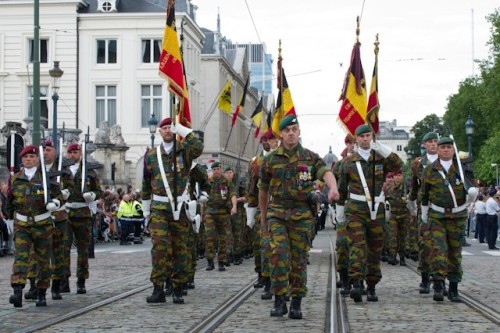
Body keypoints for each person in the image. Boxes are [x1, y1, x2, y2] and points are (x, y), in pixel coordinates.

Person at [259, 115, 340, 319]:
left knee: (298, 260)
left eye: (294, 129)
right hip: (277, 214)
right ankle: (279, 300)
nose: (291, 133)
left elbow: (325, 172)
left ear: (299, 131)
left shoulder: (310, 158)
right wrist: (262, 215)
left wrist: (333, 188)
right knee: (278, 255)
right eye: (287, 130)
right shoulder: (269, 160)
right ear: (281, 134)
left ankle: (296, 302)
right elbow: (263, 189)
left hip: (302, 216)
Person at [336, 124, 403, 303]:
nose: (365, 139)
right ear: (356, 140)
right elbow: (342, 188)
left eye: (368, 136)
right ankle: (356, 282)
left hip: (376, 209)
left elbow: (398, 164)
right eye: (362, 136)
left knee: (375, 248)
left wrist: (380, 147)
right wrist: (340, 209)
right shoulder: (348, 163)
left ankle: (371, 285)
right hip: (356, 208)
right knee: (357, 246)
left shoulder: (380, 158)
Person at [142, 117, 203, 304]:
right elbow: (146, 182)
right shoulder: (152, 155)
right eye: (164, 128)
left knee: (180, 249)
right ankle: (158, 287)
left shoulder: (184, 152)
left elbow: (198, 147)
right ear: (159, 131)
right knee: (159, 247)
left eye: (170, 127)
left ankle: (177, 287)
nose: (168, 130)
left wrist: (183, 130)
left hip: (180, 209)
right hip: (160, 208)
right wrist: (146, 211)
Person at [421, 136, 478, 302]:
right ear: (438, 150)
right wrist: (424, 212)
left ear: (453, 150)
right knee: (438, 249)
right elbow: (425, 194)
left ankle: (453, 288)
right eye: (443, 147)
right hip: (437, 216)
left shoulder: (462, 168)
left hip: (457, 216)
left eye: (449, 147)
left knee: (455, 252)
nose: (446, 150)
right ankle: (438, 285)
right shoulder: (430, 170)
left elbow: (471, 189)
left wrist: (472, 196)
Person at [6, 145, 63, 307]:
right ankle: (17, 291)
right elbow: (10, 199)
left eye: (32, 157)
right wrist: (9, 217)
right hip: (22, 225)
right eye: (26, 158)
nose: (29, 160)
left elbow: (59, 196)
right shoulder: (16, 178)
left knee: (43, 260)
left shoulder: (46, 177)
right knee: (21, 258)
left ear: (37, 159)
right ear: (22, 160)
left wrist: (56, 203)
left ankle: (41, 292)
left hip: (42, 224)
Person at [65, 143, 103, 294]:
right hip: (67, 212)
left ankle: (81, 281)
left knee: (83, 250)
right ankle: (63, 280)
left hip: (83, 212)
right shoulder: (62, 171)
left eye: (75, 152)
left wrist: (92, 195)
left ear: (80, 153)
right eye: (70, 153)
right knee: (63, 249)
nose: (73, 155)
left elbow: (98, 191)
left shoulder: (89, 171)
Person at [246, 129, 277, 300]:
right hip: (263, 208)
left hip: (282, 208)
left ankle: (281, 283)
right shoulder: (256, 162)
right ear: (264, 141)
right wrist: (251, 211)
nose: (273, 142)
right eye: (270, 140)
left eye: (275, 140)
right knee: (264, 248)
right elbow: (252, 188)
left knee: (280, 249)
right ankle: (265, 280)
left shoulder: (283, 158)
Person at [408, 131, 438, 294]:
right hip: (425, 208)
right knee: (425, 244)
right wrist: (411, 204)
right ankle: (425, 278)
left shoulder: (447, 161)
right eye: (430, 141)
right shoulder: (418, 164)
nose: (434, 144)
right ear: (425, 145)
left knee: (442, 245)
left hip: (443, 207)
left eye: (436, 141)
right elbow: (414, 185)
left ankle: (439, 279)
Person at [333, 134, 356, 296]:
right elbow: (334, 185)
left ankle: (358, 280)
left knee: (360, 247)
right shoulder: (340, 165)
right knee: (343, 244)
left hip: (361, 211)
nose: (353, 145)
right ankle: (345, 277)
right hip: (344, 208)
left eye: (355, 142)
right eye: (350, 143)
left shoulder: (369, 162)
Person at [205, 161, 237, 271]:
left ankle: (221, 262)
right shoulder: (208, 181)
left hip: (223, 213)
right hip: (210, 213)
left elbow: (232, 194)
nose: (216, 171)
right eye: (214, 169)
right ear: (212, 171)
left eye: (218, 169)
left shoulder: (226, 182)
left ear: (220, 169)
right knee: (210, 237)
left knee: (224, 238)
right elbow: (201, 193)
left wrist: (234, 206)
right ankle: (210, 261)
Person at [385, 169, 408, 266]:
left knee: (403, 237)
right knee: (393, 236)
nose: (398, 177)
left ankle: (402, 257)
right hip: (393, 216)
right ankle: (393, 256)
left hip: (404, 216)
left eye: (400, 175)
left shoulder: (407, 188)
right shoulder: (389, 188)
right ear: (393, 177)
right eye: (396, 175)